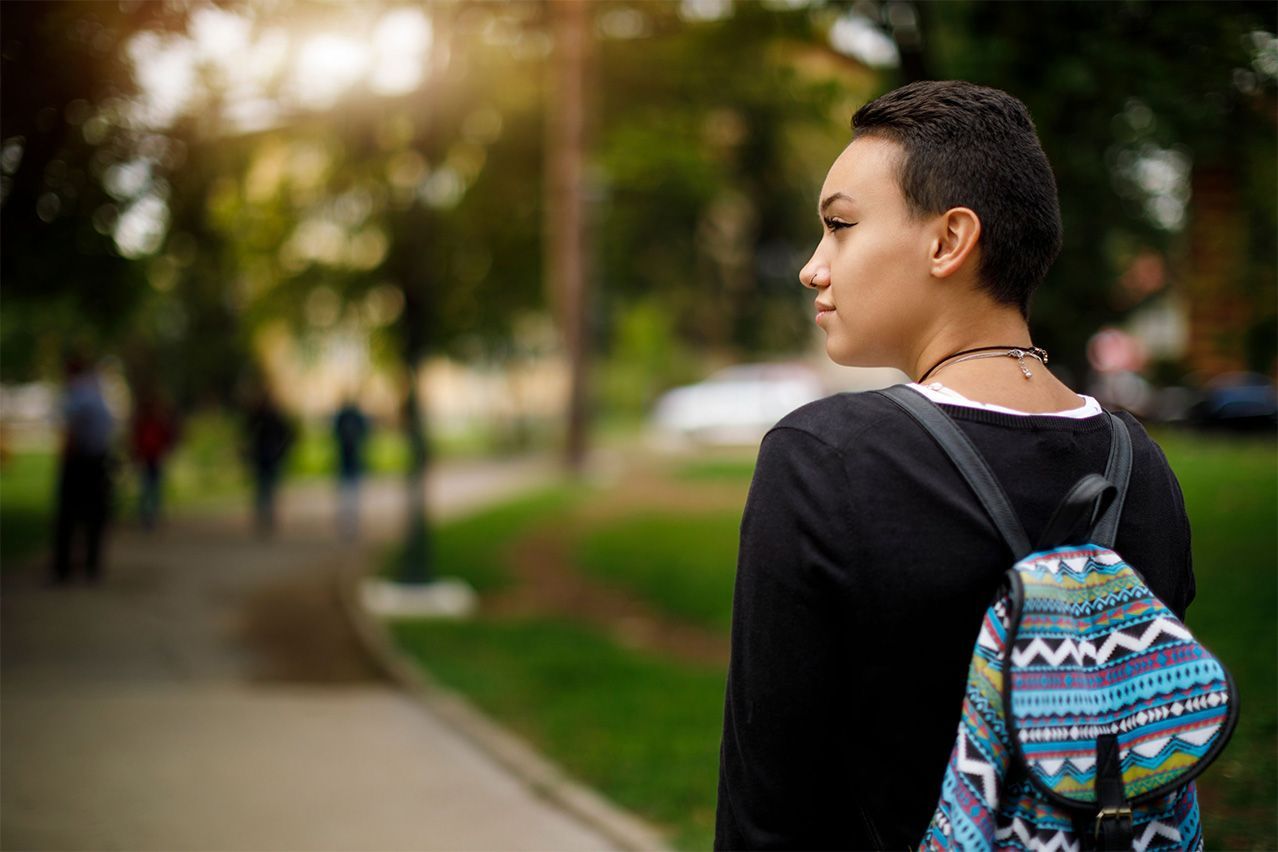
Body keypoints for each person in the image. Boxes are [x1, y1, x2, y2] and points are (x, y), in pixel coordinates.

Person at [714, 81, 1195, 850]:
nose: (813, 268)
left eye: (839, 226)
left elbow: (766, 806)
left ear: (948, 241)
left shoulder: (823, 460)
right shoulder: (1140, 463)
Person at [51, 355, 116, 584]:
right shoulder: (97, 392)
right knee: (94, 516)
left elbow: (70, 431)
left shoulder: (77, 393)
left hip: (80, 461)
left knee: (68, 516)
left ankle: (63, 568)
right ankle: (91, 565)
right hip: (97, 460)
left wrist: (66, 459)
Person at [243, 389, 294, 536]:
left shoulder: (270, 419)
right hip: (263, 458)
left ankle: (266, 516)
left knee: (266, 488)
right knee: (264, 488)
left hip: (270, 457)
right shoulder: (260, 418)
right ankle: (265, 516)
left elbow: (287, 436)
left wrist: (280, 450)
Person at [129, 387, 179, 530]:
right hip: (147, 456)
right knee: (148, 487)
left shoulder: (157, 421)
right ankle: (147, 516)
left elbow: (167, 436)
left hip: (155, 456)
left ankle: (151, 515)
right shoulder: (144, 421)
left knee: (153, 487)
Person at [332, 398, 370, 540]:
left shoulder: (345, 418)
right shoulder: (352, 418)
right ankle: (348, 521)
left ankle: (350, 522)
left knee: (349, 494)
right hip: (348, 461)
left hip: (350, 461)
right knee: (349, 494)